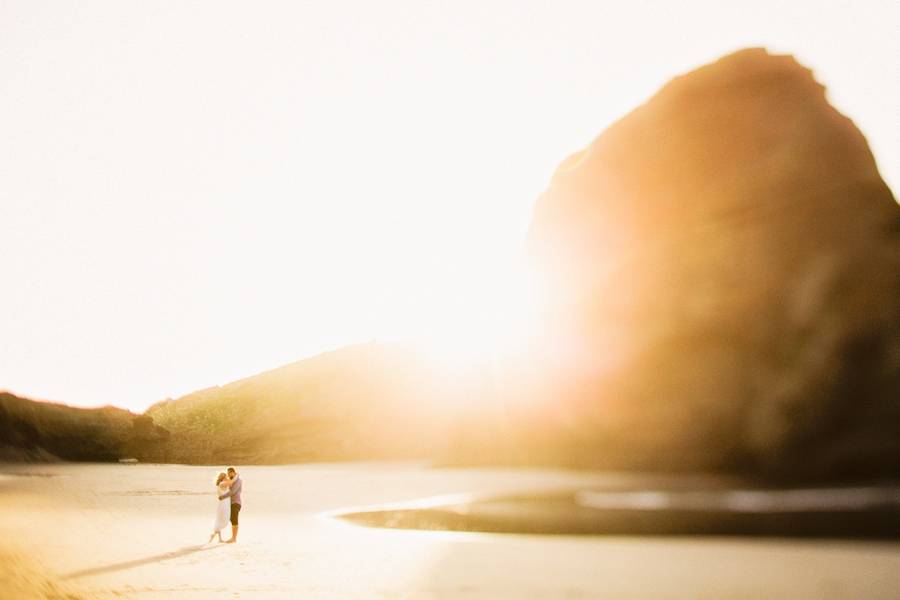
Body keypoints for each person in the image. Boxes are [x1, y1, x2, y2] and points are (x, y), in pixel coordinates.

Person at [218, 466, 242, 543]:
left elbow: (233, 492)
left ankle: (234, 538)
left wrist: (222, 497)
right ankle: (232, 537)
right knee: (232, 519)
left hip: (236, 502)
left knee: (234, 519)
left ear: (233, 472)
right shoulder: (232, 480)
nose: (228, 475)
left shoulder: (238, 480)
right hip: (230, 503)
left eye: (229, 473)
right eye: (227, 474)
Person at [208, 472, 233, 544]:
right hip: (224, 504)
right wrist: (235, 476)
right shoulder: (222, 483)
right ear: (222, 478)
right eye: (226, 476)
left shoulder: (222, 483)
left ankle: (219, 538)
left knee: (220, 520)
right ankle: (213, 534)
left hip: (224, 503)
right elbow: (231, 483)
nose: (227, 477)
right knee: (224, 519)